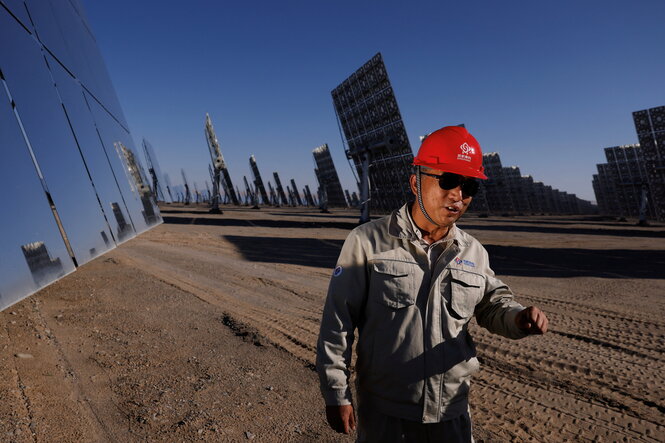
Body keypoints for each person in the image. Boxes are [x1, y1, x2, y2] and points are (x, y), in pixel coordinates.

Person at [316, 126, 548, 442]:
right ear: (416, 182)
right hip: (386, 413)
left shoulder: (473, 251)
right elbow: (337, 323)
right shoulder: (367, 242)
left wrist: (518, 317)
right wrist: (336, 393)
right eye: (449, 180)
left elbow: (493, 303)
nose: (458, 195)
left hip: (450, 411)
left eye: (469, 187)